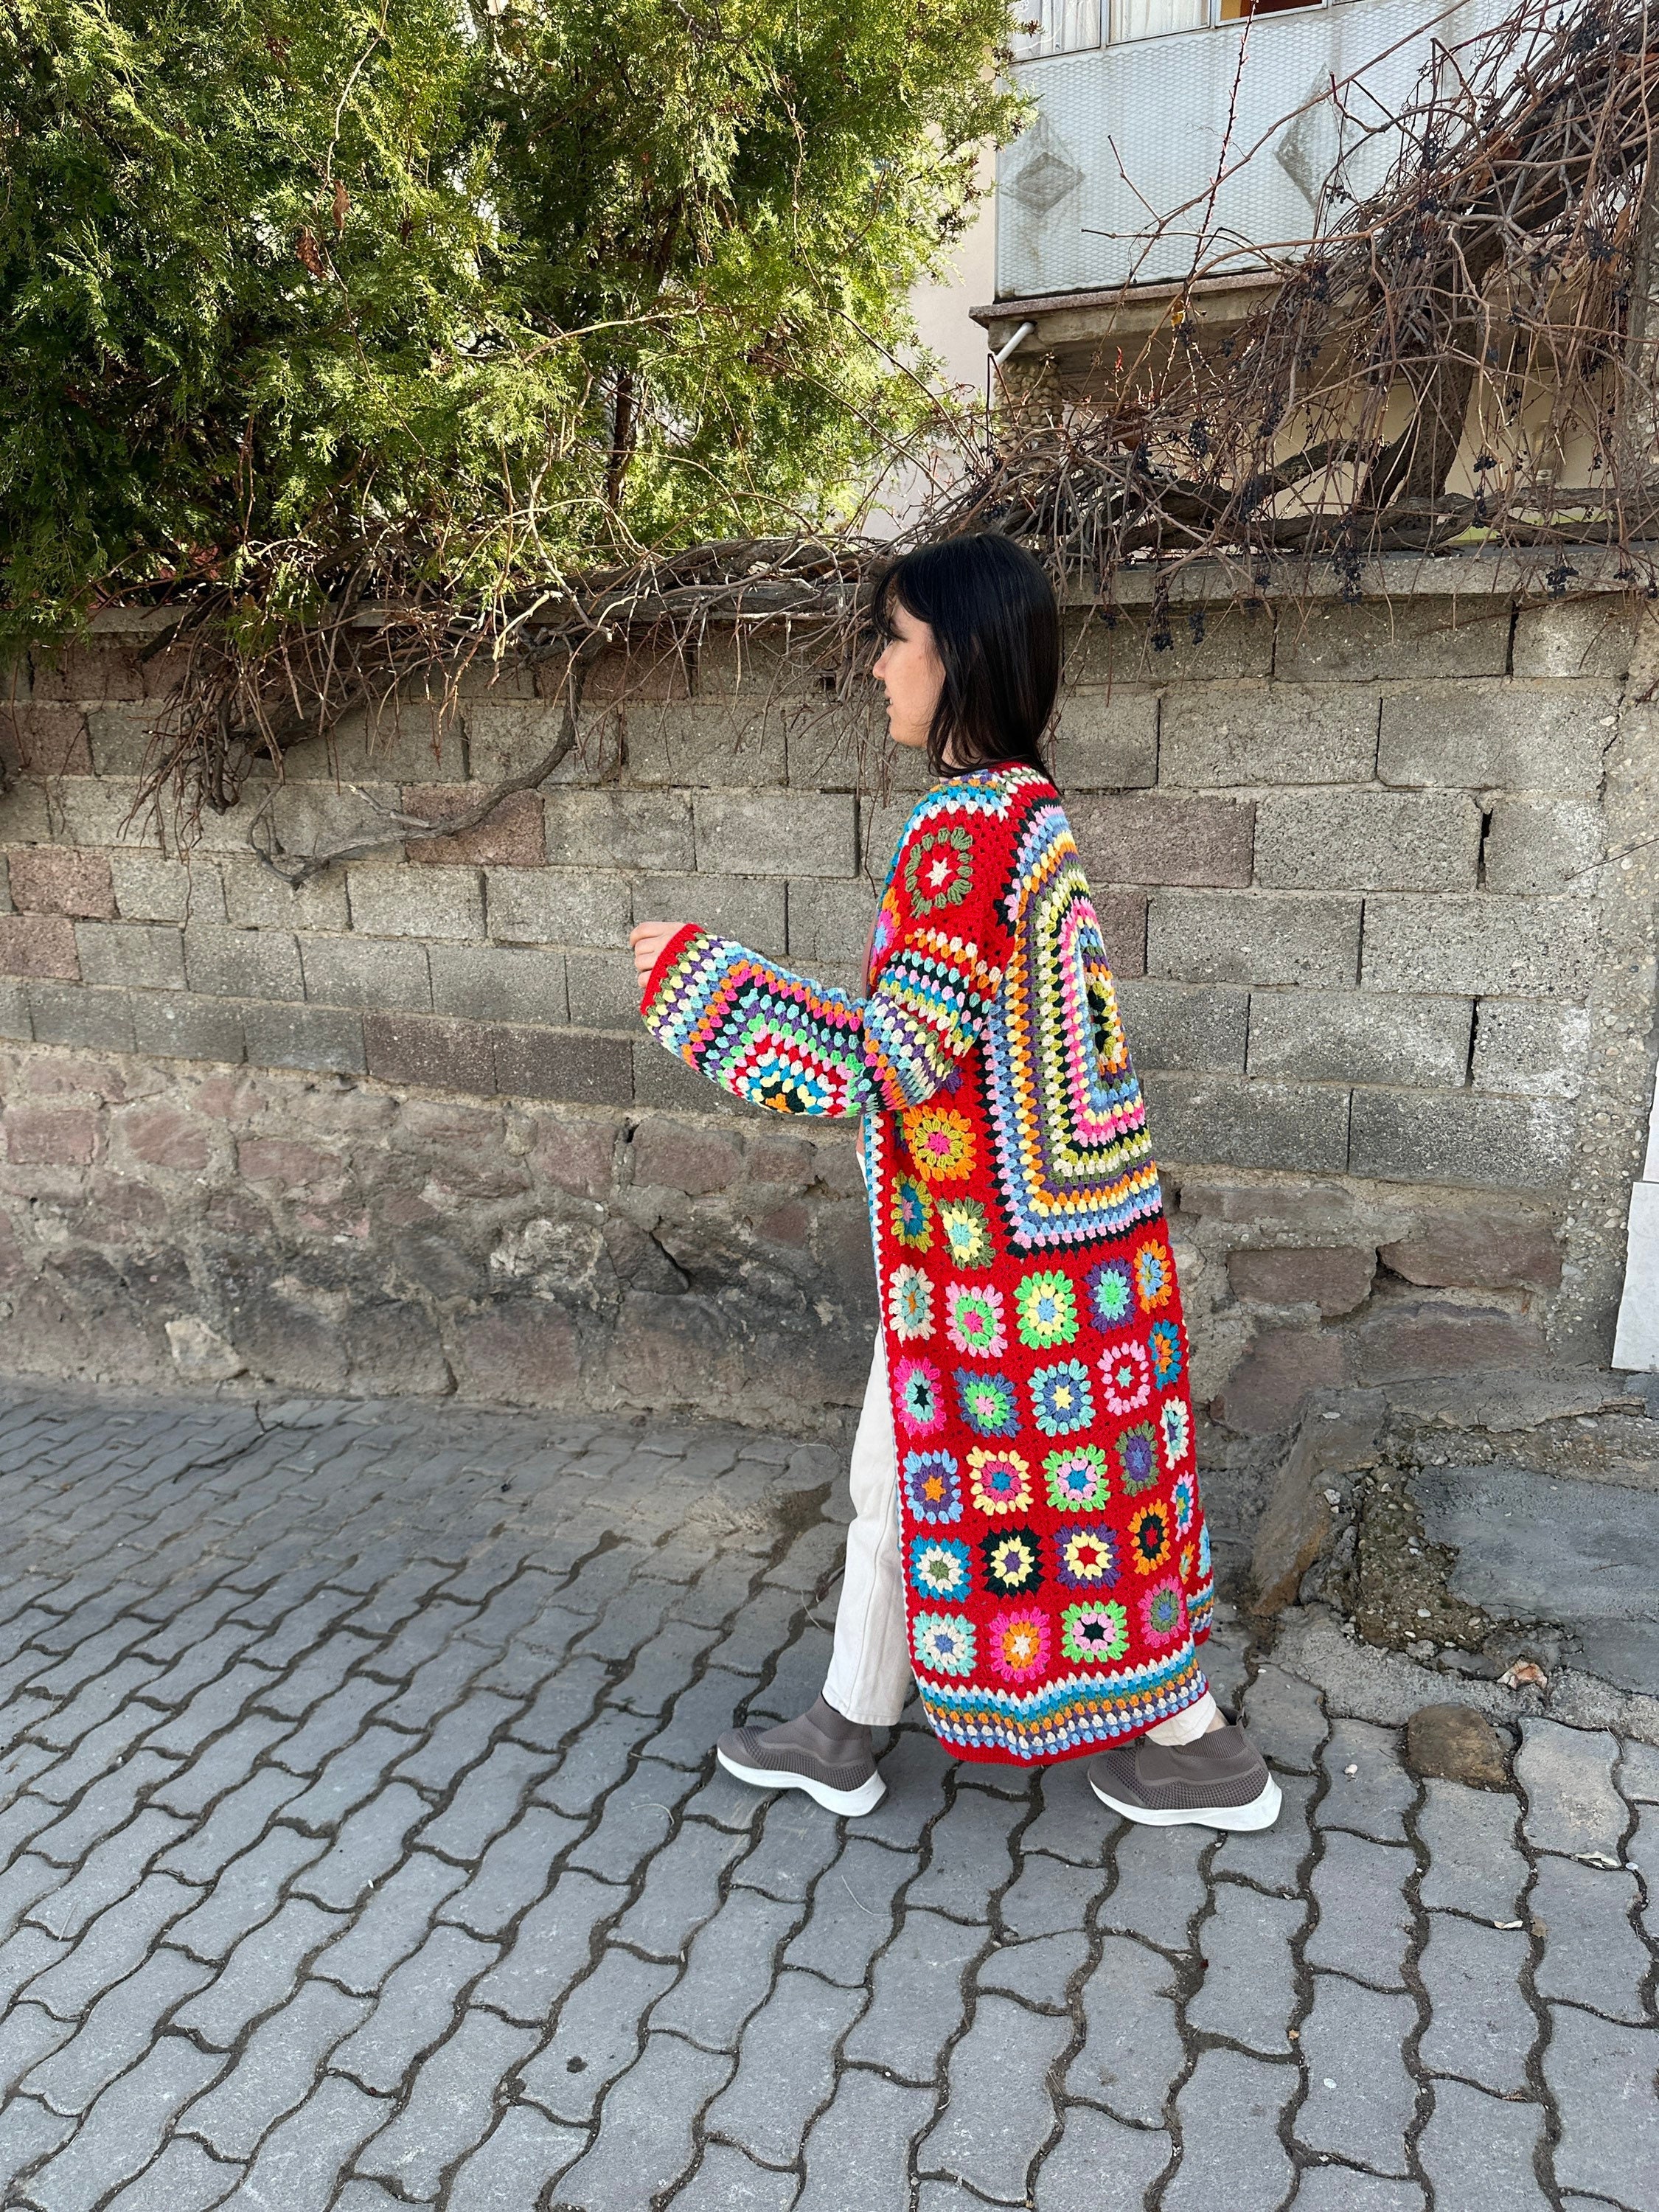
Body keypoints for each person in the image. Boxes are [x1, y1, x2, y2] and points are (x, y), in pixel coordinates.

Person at [629, 533, 1279, 1833]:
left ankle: (1188, 1747)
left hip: (999, 1261)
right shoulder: (1027, 811)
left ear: (959, 656)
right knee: (965, 1479)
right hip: (1055, 1247)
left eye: (895, 639)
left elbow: (888, 1058)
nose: (876, 666)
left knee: (998, 1482)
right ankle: (851, 1725)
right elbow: (947, 1034)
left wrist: (697, 981)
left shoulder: (966, 831)